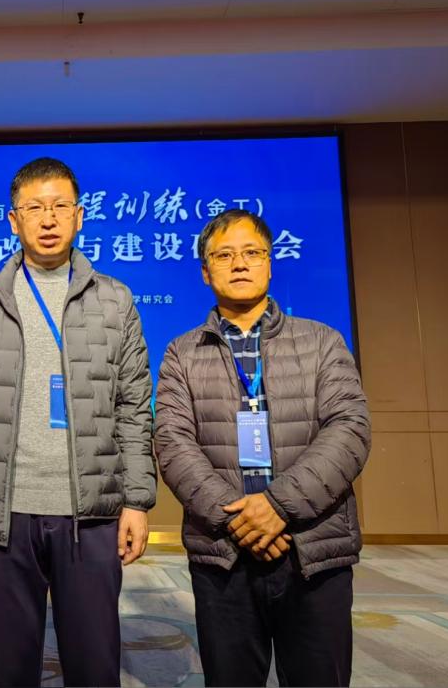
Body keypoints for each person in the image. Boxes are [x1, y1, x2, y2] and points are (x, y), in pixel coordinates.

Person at [0, 156, 156, 688]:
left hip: (92, 515)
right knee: (8, 670)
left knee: (95, 668)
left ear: (80, 216)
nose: (49, 218)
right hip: (2, 514)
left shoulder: (115, 300)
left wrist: (137, 501)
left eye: (60, 206)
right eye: (34, 208)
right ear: (14, 220)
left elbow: (133, 406)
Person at [154, 208, 371, 687]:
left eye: (252, 252)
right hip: (224, 553)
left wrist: (278, 506)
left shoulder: (322, 341)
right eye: (224, 255)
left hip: (312, 548)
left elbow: (350, 429)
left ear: (270, 263)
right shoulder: (181, 353)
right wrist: (238, 519)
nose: (239, 263)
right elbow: (172, 442)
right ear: (205, 271)